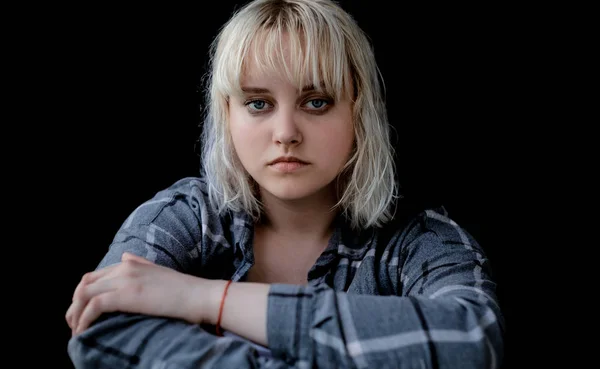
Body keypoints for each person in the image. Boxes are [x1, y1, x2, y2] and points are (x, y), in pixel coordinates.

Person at [65, 0, 505, 367]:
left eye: (316, 101)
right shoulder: (184, 218)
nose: (286, 132)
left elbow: (472, 341)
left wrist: (205, 299)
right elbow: (100, 333)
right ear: (228, 114)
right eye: (258, 103)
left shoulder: (420, 239)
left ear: (358, 112)